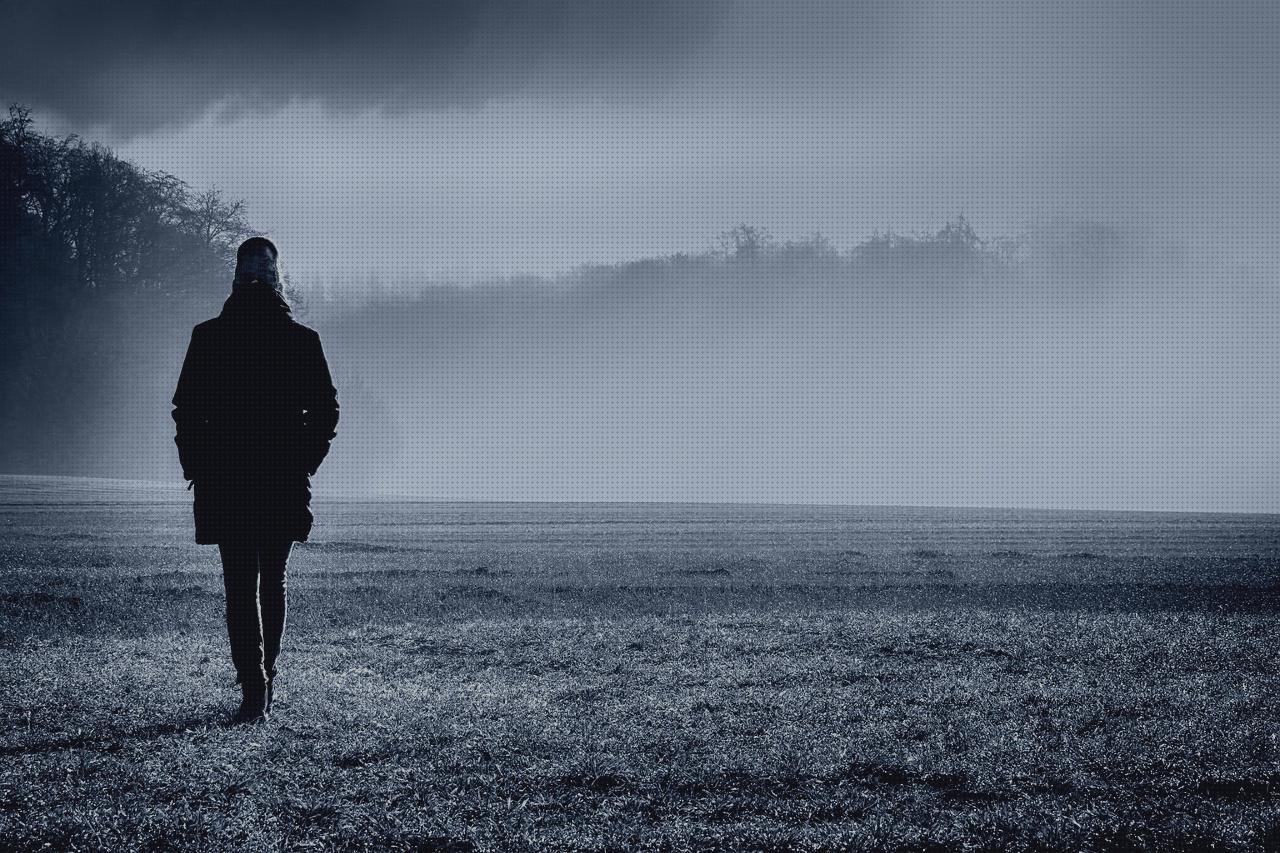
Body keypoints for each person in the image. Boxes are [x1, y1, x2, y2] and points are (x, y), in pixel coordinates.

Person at [172, 237, 339, 724]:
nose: (257, 273)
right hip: (267, 476)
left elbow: (186, 409)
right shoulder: (293, 339)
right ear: (268, 277)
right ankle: (262, 680)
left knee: (246, 585)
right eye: (258, 266)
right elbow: (326, 410)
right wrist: (305, 460)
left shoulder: (216, 336)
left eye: (257, 266)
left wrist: (197, 464)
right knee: (264, 583)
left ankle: (255, 685)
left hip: (237, 477)